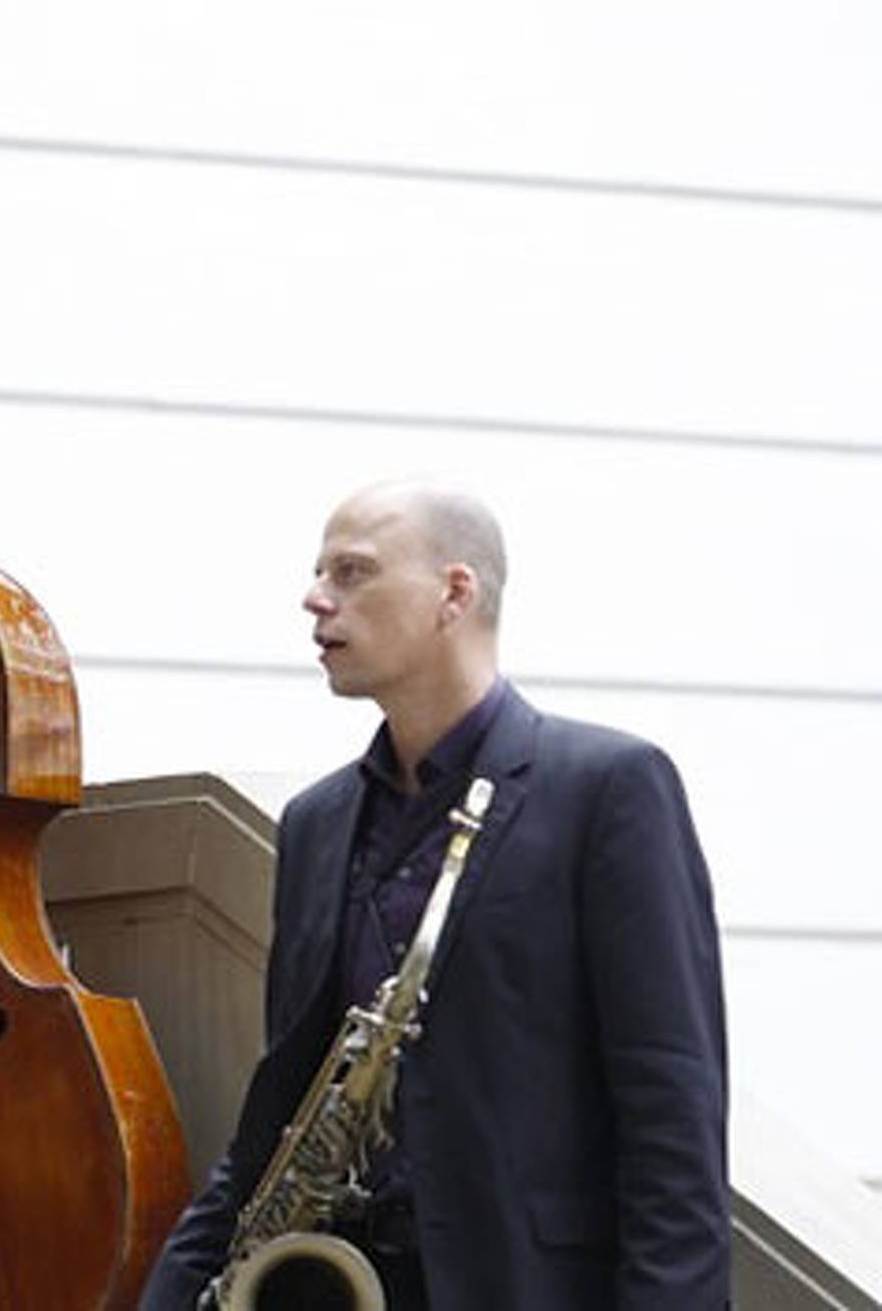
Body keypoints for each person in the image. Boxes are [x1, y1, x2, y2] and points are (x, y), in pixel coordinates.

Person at [141, 480, 729, 1310]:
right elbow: (276, 1119)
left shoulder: (608, 788)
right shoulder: (316, 822)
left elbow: (671, 1111)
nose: (315, 598)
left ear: (454, 593)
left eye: (351, 572)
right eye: (318, 573)